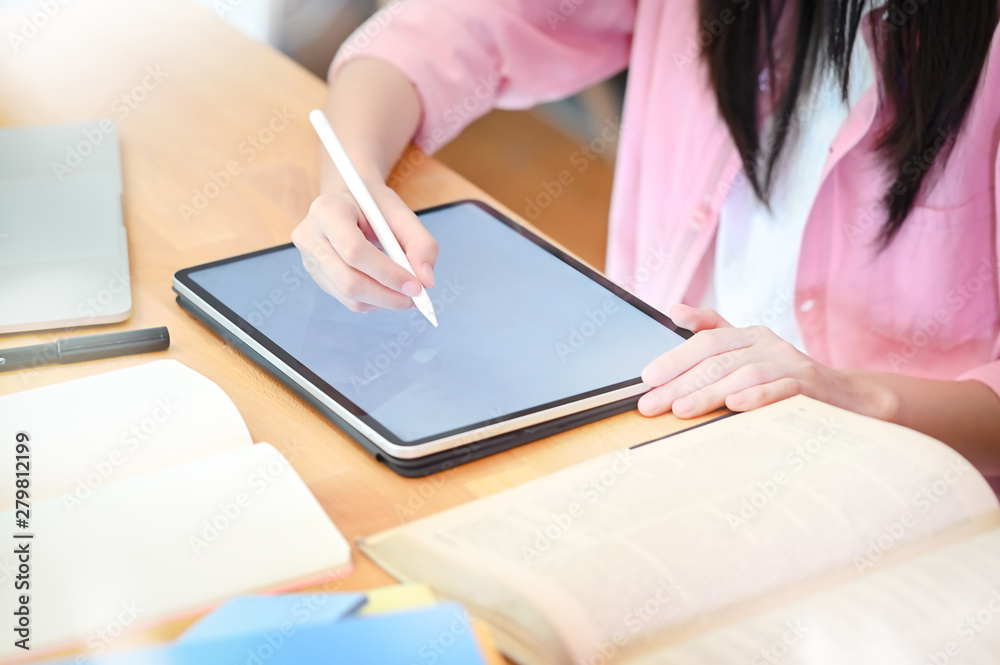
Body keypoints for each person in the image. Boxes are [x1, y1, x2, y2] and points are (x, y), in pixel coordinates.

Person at [291, 0, 1000, 474]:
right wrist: (351, 174)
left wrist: (853, 397)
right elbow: (459, 26)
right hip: (651, 429)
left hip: (897, 497)